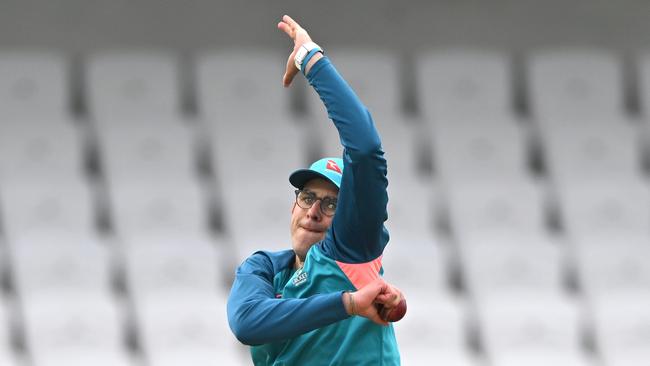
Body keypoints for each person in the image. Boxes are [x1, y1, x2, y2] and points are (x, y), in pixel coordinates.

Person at [227, 15, 402, 365]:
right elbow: (246, 322)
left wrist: (311, 58)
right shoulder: (263, 268)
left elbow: (365, 149)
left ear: (349, 215)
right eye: (307, 197)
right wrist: (348, 305)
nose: (314, 211)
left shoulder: (351, 247)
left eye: (331, 203)